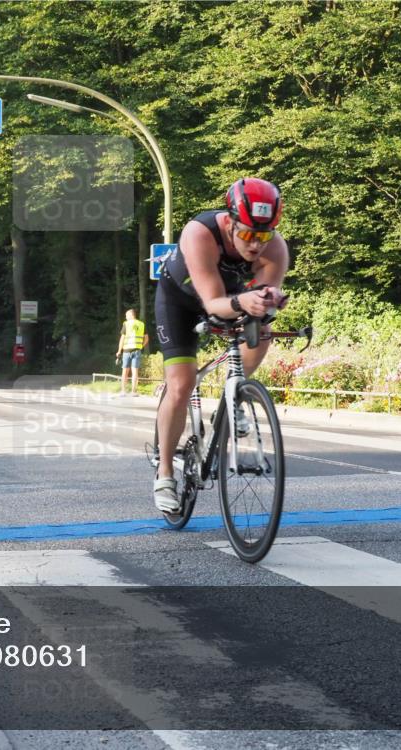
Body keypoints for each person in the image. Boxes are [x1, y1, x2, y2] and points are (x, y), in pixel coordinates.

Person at [152, 178, 289, 513]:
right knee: (181, 385)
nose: (256, 244)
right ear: (229, 222)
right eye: (247, 234)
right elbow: (212, 302)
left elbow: (262, 298)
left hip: (230, 298)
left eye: (264, 235)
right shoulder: (199, 233)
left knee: (263, 329)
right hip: (181, 302)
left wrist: (269, 299)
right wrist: (247, 301)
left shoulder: (275, 248)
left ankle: (234, 397)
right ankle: (165, 473)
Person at [115, 308, 148, 396]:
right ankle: (134, 392)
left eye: (126, 316)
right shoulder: (141, 324)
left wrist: (119, 351)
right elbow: (146, 338)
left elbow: (122, 339)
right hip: (137, 350)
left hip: (126, 351)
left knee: (125, 371)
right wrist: (141, 346)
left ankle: (123, 391)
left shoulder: (127, 324)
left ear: (130, 315)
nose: (125, 317)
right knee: (135, 372)